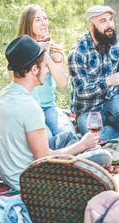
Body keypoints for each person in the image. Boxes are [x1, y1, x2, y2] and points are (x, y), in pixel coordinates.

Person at [0, 35, 112, 190]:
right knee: (103, 157)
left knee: (68, 137)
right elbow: (43, 158)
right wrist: (83, 145)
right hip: (31, 181)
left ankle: (85, 150)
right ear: (34, 70)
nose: (47, 70)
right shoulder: (29, 106)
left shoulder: (5, 94)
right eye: (45, 65)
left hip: (12, 172)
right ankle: (90, 151)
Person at [68, 5, 119, 141]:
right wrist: (108, 82)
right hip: (87, 108)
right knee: (91, 134)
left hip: (111, 99)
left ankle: (108, 128)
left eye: (110, 20)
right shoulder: (78, 51)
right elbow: (82, 92)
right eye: (103, 21)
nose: (110, 25)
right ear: (91, 26)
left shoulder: (118, 43)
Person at [12, 4, 76, 143]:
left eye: (45, 18)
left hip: (49, 108)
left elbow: (63, 83)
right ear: (28, 24)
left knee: (69, 136)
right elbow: (16, 84)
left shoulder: (54, 50)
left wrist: (47, 58)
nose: (44, 23)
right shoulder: (18, 50)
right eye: (37, 20)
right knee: (45, 141)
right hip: (28, 109)